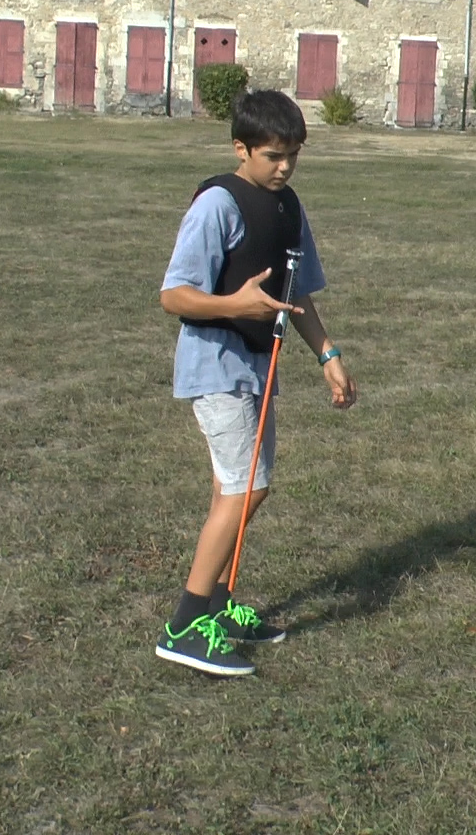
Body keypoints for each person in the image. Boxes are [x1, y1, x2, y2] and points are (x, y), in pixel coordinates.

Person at [156, 90, 357, 678]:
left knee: (235, 488)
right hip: (215, 362)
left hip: (257, 366)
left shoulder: (288, 207)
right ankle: (184, 626)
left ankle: (218, 608)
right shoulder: (218, 204)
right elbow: (173, 294)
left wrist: (328, 354)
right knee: (247, 489)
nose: (285, 167)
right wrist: (233, 304)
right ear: (240, 148)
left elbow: (298, 294)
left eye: (294, 155)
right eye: (273, 155)